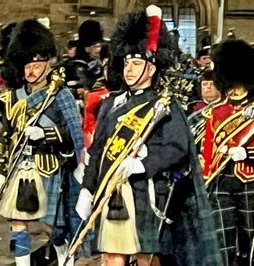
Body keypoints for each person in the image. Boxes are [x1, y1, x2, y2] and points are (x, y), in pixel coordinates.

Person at [76, 5, 221, 265]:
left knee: (146, 258)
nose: (129, 69)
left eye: (137, 63)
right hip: (111, 190)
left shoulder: (164, 104)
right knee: (111, 257)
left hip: (148, 190)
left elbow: (177, 148)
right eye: (127, 63)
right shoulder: (110, 104)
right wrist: (87, 188)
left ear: (152, 69)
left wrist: (143, 163)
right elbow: (97, 150)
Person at [0, 20, 84, 266]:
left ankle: (64, 253)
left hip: (51, 164)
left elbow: (73, 137)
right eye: (28, 66)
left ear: (47, 65)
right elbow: (5, 135)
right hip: (20, 164)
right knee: (16, 220)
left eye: (37, 65)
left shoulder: (61, 95)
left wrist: (46, 135)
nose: (31, 71)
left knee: (52, 226)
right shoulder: (13, 98)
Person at [201, 39, 254, 266]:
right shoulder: (216, 112)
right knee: (222, 239)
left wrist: (248, 153)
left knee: (251, 238)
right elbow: (209, 147)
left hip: (250, 179)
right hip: (220, 181)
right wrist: (207, 175)